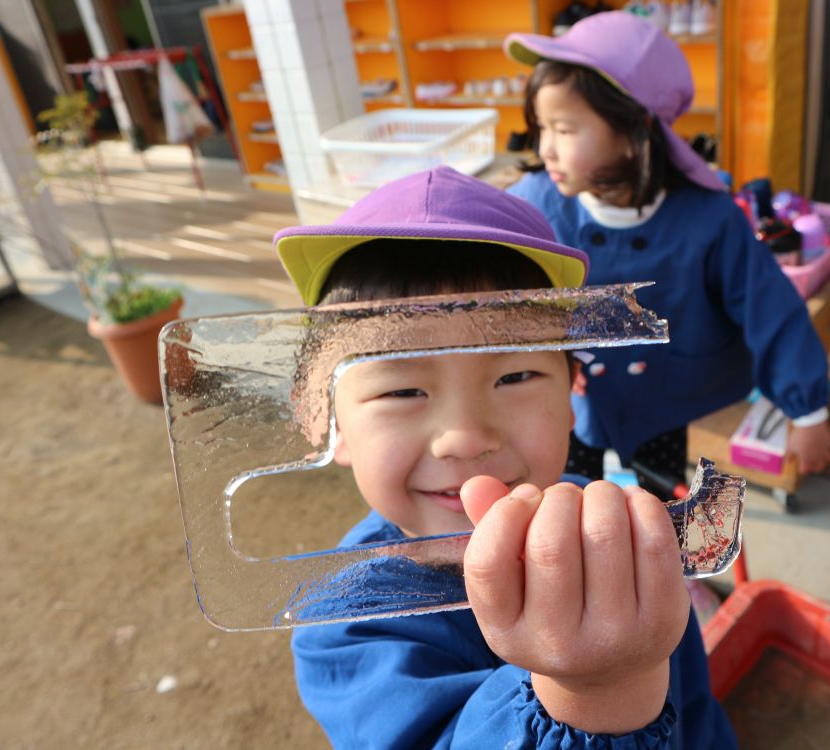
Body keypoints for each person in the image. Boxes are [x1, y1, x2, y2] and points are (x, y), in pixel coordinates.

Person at [274, 165, 737, 748]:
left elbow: (695, 704)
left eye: (515, 375)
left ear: (573, 394)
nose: (466, 437)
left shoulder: (606, 525)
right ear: (327, 422)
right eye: (401, 391)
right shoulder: (344, 626)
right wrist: (590, 691)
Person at [504, 11, 830, 492]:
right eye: (541, 127)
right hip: (570, 397)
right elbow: (503, 301)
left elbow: (771, 308)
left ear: (633, 131)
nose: (546, 148)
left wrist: (808, 412)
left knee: (658, 505)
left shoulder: (709, 220)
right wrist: (543, 358)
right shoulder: (533, 205)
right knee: (564, 500)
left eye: (564, 129)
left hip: (665, 394)